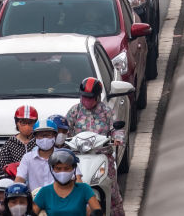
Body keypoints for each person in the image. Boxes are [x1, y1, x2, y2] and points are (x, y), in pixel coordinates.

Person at [64, 77, 123, 215]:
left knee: (113, 194)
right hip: (78, 158)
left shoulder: (107, 111)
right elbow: (65, 128)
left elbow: (117, 129)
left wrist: (118, 138)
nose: (86, 100)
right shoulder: (74, 111)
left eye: (90, 98)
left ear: (97, 97)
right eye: (84, 97)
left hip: (102, 156)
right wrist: (61, 138)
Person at [31, 149, 101, 216]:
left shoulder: (84, 189)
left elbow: (97, 211)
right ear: (52, 170)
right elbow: (32, 213)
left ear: (74, 169)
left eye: (67, 168)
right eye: (58, 168)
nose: (62, 172)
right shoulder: (45, 192)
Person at [0, 106, 38, 179]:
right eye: (23, 122)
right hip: (15, 180)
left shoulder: (39, 141)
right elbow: (1, 164)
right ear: (17, 123)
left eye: (30, 123)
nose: (27, 126)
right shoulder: (10, 143)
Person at [14, 119, 60, 191]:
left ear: (55, 136)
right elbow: (19, 179)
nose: (45, 138)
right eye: (41, 135)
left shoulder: (64, 156)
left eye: (48, 135)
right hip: (34, 197)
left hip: (58, 197)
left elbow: (76, 178)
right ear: (35, 137)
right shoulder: (27, 158)